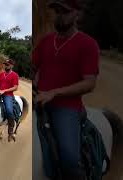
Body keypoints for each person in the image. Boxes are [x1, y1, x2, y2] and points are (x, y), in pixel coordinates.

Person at [32, 0, 100, 179]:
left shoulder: (88, 44)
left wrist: (54, 92)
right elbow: (35, 66)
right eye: (56, 11)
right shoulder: (46, 41)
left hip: (66, 107)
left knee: (69, 158)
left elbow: (89, 83)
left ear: (77, 14)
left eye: (65, 11)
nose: (59, 15)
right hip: (39, 99)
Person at [0, 59, 19, 142]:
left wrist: (4, 90)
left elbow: (15, 87)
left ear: (12, 66)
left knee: (9, 110)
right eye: (5, 64)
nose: (6, 66)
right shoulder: (1, 74)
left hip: (8, 95)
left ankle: (10, 132)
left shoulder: (15, 75)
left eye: (7, 65)